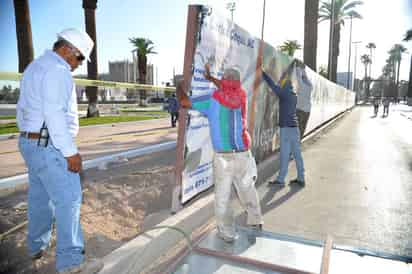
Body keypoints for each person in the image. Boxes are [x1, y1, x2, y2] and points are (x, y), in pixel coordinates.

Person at [16, 28, 103, 274]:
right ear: (67, 50)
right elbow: (54, 114)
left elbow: (24, 109)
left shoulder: (35, 66)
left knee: (40, 197)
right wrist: (69, 152)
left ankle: (36, 246)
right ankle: (71, 263)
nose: (78, 65)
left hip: (30, 142)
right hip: (50, 144)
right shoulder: (58, 71)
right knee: (69, 199)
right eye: (79, 58)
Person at [177, 64, 263, 243]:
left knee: (223, 197)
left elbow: (184, 102)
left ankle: (227, 233)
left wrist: (179, 86)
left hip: (224, 157)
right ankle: (256, 221)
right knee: (248, 190)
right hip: (244, 154)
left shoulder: (213, 99)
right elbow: (228, 87)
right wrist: (211, 79)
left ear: (223, 82)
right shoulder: (241, 95)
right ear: (238, 83)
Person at [261, 61, 305, 187]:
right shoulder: (293, 95)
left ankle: (280, 180)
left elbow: (273, 85)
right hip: (295, 129)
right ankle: (301, 178)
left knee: (284, 155)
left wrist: (263, 73)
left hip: (286, 129)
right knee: (297, 154)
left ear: (284, 85)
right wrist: (289, 69)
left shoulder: (284, 93)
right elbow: (283, 81)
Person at [295, 60, 313, 139]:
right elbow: (304, 76)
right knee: (301, 130)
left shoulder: (301, 85)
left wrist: (298, 66)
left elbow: (298, 75)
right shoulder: (310, 86)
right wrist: (303, 69)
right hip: (307, 111)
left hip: (299, 110)